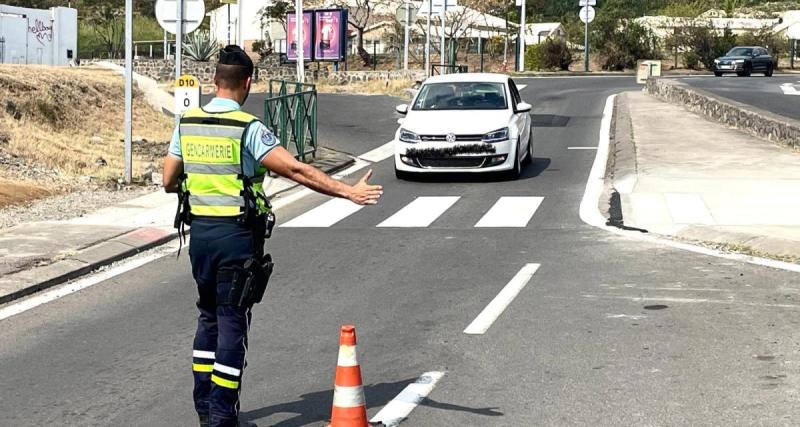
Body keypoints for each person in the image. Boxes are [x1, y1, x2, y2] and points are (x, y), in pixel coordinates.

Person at [162, 45, 383, 427]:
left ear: (214, 80)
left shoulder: (187, 122)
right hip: (236, 238)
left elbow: (168, 180)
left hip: (199, 236)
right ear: (248, 82)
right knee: (233, 324)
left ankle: (204, 410)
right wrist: (348, 191)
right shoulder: (248, 129)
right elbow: (296, 170)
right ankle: (221, 418)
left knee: (208, 318)